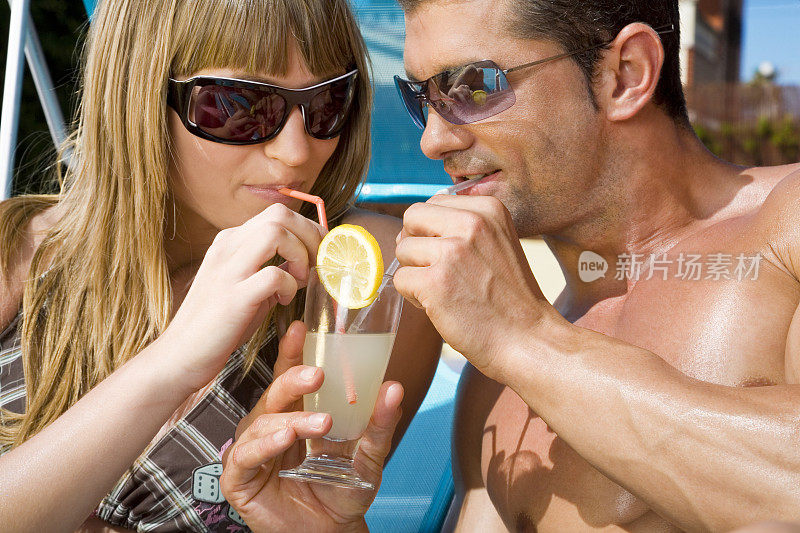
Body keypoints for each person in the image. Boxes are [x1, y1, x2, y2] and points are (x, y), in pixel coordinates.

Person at [0, 0, 442, 531]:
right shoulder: (18, 252)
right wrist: (172, 363)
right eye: (241, 104)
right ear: (137, 95)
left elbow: (317, 514)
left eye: (328, 102)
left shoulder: (360, 281)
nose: (298, 152)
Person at [391, 0, 800, 531]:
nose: (434, 139)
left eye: (471, 86)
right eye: (421, 98)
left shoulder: (785, 227)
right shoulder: (493, 386)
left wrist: (528, 341)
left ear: (624, 75)